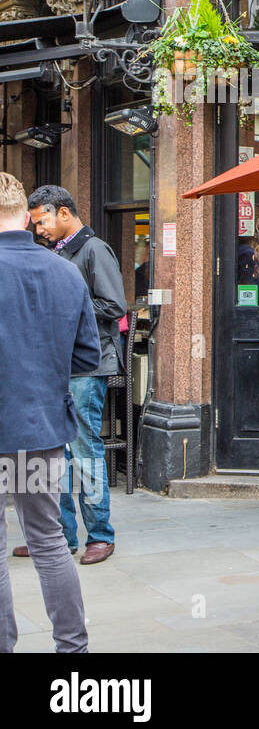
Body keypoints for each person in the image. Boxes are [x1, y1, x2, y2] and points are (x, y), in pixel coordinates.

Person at [0, 173, 97, 652]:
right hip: (41, 428)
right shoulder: (66, 272)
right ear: (24, 216)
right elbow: (86, 358)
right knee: (48, 540)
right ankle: (72, 649)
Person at [25, 185, 127, 566]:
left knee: (84, 451)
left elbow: (114, 305)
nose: (38, 230)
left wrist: (63, 305)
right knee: (58, 455)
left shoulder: (95, 249)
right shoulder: (55, 251)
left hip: (88, 366)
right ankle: (62, 537)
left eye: (42, 221)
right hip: (57, 366)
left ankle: (100, 536)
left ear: (63, 213)